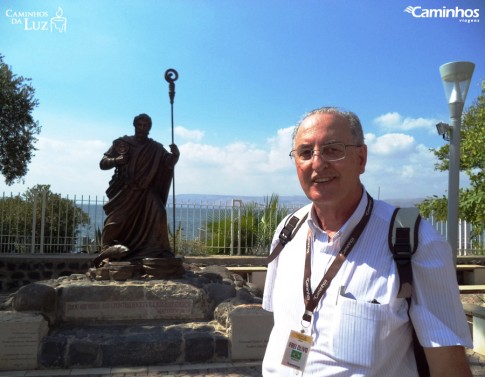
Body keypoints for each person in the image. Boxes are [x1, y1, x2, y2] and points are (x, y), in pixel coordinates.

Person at [262, 107, 472, 376]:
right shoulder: (287, 232)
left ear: (361, 159)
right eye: (305, 153)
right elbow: (282, 325)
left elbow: (449, 368)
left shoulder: (415, 242)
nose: (317, 163)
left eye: (332, 149)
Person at [94, 113, 179, 267]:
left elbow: (168, 162)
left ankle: (157, 251)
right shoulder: (122, 143)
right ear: (134, 125)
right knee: (115, 222)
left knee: (159, 212)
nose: (142, 128)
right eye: (139, 125)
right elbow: (103, 163)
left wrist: (175, 155)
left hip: (146, 191)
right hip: (126, 190)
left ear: (149, 128)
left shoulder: (156, 148)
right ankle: (107, 251)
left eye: (145, 125)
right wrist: (116, 160)